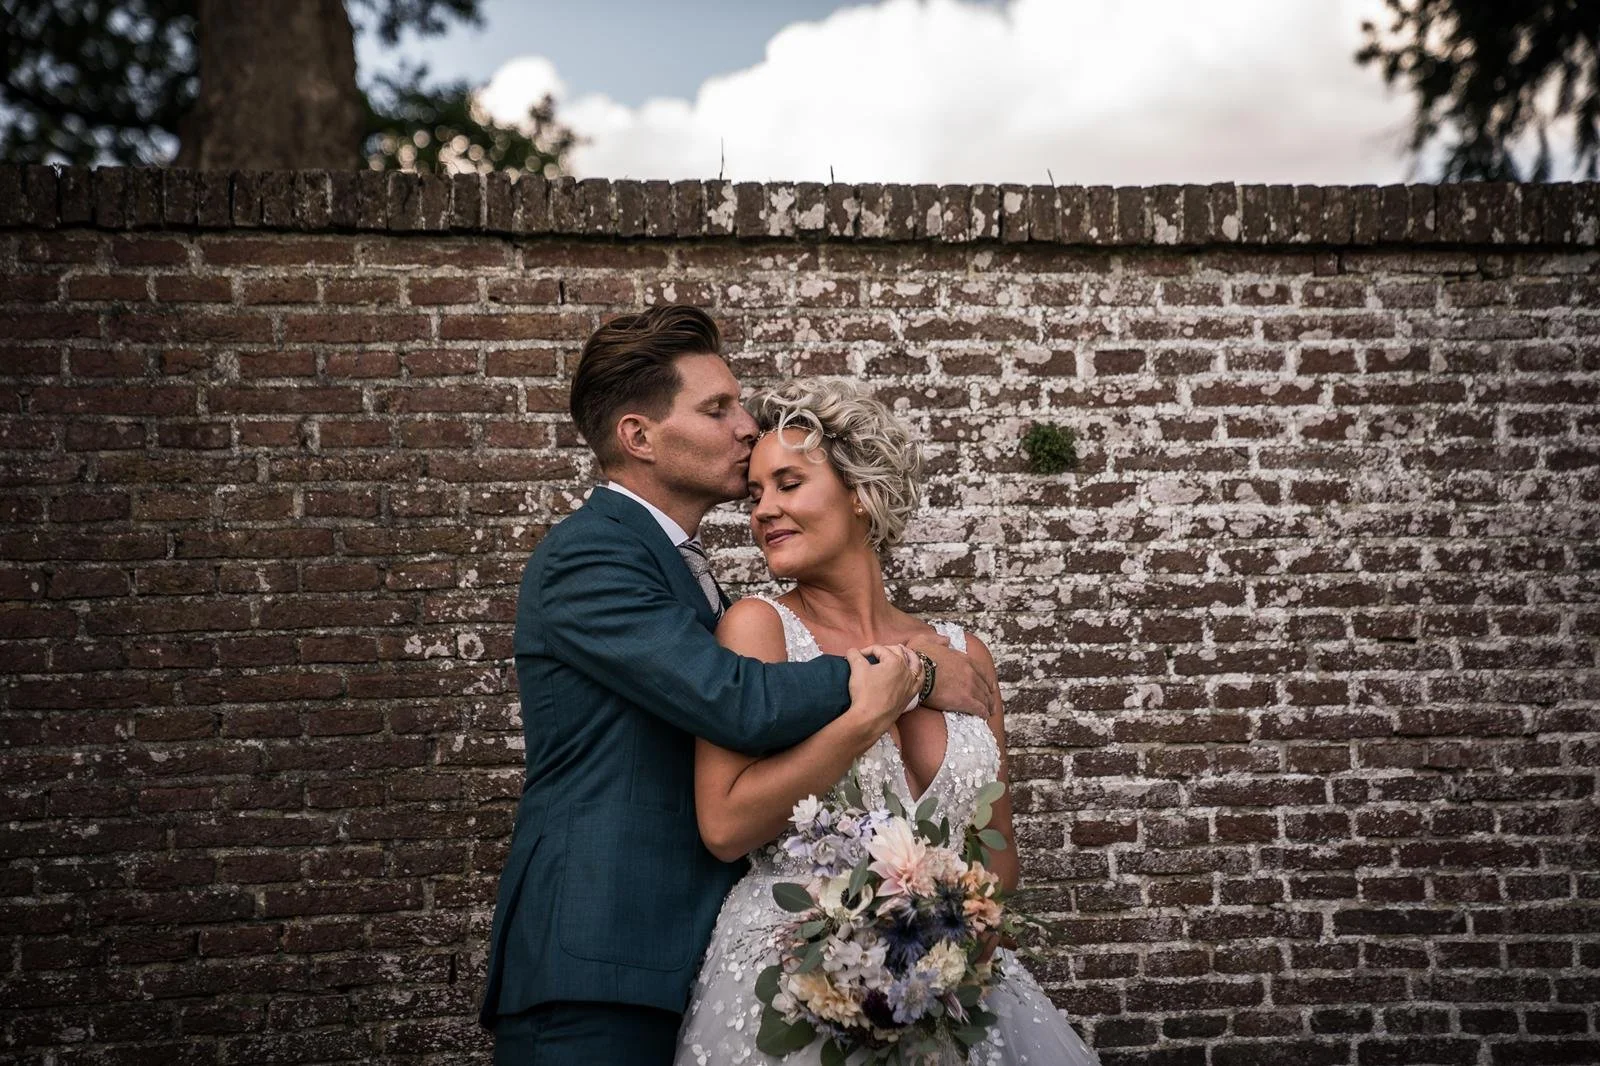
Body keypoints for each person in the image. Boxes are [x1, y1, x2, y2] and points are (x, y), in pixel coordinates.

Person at [478, 305, 996, 1065]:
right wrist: (908, 673)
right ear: (639, 437)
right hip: (598, 963)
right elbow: (737, 699)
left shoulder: (685, 575)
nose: (746, 424)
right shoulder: (588, 559)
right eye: (717, 408)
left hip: (697, 966)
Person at [676, 379, 1102, 1066]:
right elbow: (725, 828)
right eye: (755, 495)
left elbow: (997, 855)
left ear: (860, 492)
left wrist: (950, 968)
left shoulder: (966, 655)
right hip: (797, 983)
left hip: (951, 983)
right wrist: (875, 705)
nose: (763, 512)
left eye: (788, 483)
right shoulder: (758, 629)